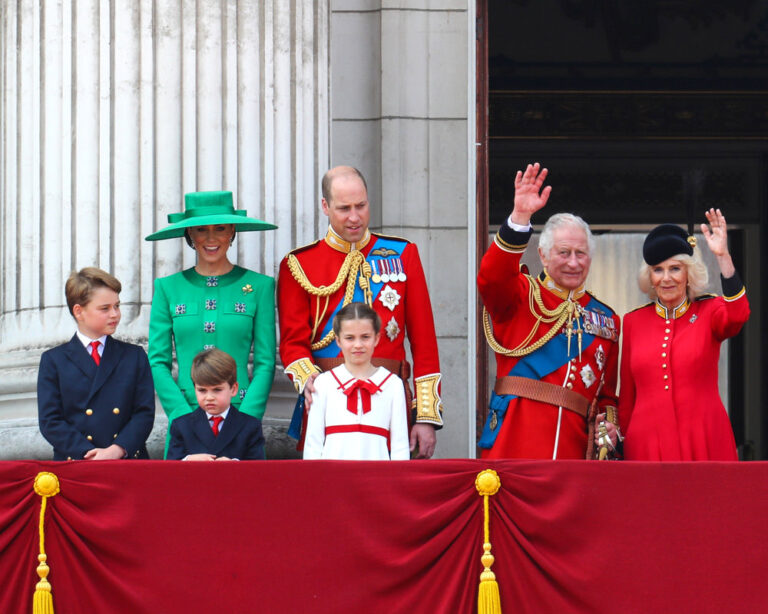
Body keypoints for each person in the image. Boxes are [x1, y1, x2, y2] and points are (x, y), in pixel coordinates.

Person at [277, 166, 443, 458]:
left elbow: (424, 342)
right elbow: (293, 342)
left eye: (361, 206)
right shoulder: (298, 265)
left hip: (391, 400)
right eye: (344, 208)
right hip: (328, 401)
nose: (354, 217)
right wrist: (312, 385)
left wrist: (425, 416)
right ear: (325, 206)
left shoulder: (403, 255)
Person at [477, 162, 621, 460]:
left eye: (581, 253)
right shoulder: (520, 295)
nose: (573, 262)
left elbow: (606, 395)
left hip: (573, 451)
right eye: (563, 252)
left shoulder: (607, 319)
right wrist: (520, 217)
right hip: (514, 443)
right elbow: (492, 276)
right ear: (542, 255)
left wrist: (610, 428)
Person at [145, 191, 277, 452]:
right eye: (201, 230)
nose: (211, 238)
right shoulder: (167, 288)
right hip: (186, 417)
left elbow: (265, 362)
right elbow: (157, 361)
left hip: (240, 416)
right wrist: (180, 414)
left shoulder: (260, 287)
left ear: (232, 232)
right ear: (190, 235)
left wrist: (247, 417)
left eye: (220, 228)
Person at [619, 210, 749, 461]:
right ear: (650, 277)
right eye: (658, 270)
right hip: (646, 443)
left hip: (703, 437)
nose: (666, 278)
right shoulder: (634, 321)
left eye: (675, 268)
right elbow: (627, 399)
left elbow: (738, 315)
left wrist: (723, 256)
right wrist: (623, 445)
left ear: (688, 273)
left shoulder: (709, 311)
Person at [37, 268, 155, 460]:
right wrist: (88, 454)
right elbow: (50, 420)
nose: (115, 314)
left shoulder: (134, 356)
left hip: (126, 461)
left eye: (117, 306)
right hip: (76, 462)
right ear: (79, 311)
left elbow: (144, 413)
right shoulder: (54, 360)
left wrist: (117, 449)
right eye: (105, 308)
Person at [303, 303, 409, 460]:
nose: (358, 345)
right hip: (333, 480)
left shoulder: (393, 384)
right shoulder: (324, 383)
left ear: (376, 339)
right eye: (350, 338)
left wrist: (395, 484)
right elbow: (313, 445)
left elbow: (400, 447)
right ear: (338, 341)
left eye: (365, 337)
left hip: (378, 480)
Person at [167, 349, 266, 460]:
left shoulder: (250, 426)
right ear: (194, 389)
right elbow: (170, 469)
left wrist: (235, 465)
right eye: (202, 390)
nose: (209, 398)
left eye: (217, 390)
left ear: (233, 389)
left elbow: (257, 470)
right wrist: (188, 460)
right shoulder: (181, 425)